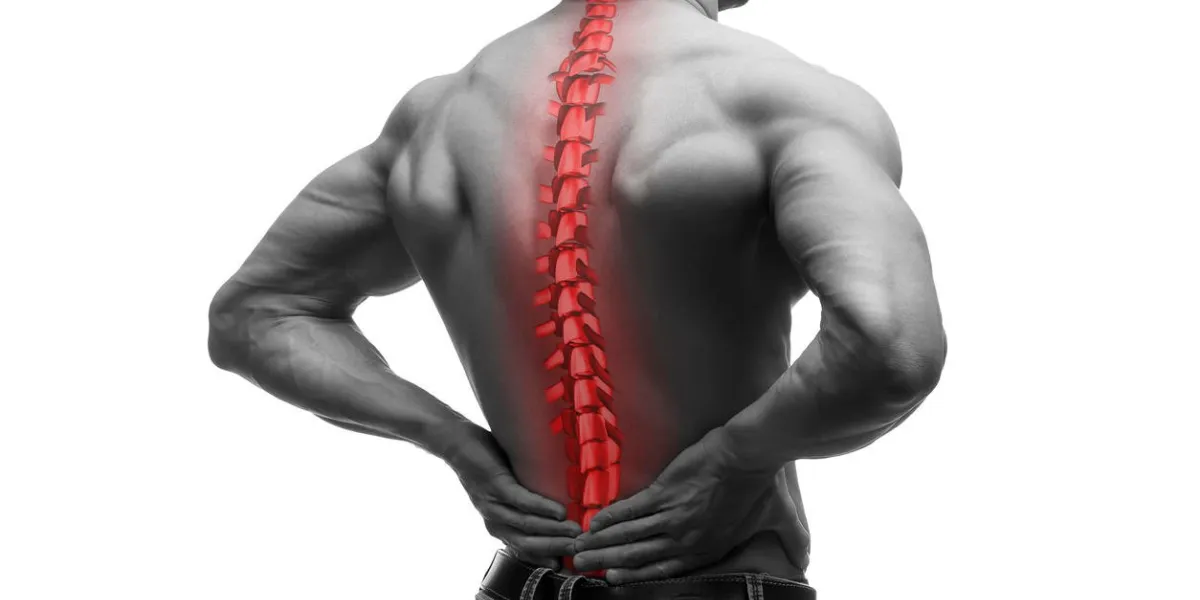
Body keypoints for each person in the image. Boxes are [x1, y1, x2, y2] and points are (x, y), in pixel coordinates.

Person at [207, 0, 947, 597]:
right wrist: (736, 458)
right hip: (717, 581)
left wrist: (456, 443)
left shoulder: (437, 115)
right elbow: (891, 346)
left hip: (523, 582)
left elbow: (256, 315)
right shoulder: (786, 99)